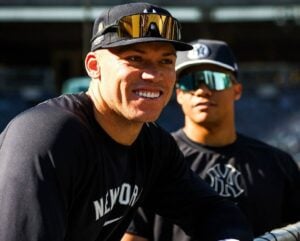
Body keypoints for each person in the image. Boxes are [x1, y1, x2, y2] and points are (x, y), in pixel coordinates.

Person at [0, 4, 254, 241]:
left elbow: (209, 209)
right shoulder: (46, 138)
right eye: (134, 58)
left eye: (165, 61)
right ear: (93, 66)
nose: (153, 75)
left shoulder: (151, 144)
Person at [123, 39, 300, 241]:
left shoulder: (277, 164)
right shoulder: (152, 162)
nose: (202, 90)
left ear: (237, 90)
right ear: (179, 94)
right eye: (190, 81)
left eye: (214, 79)